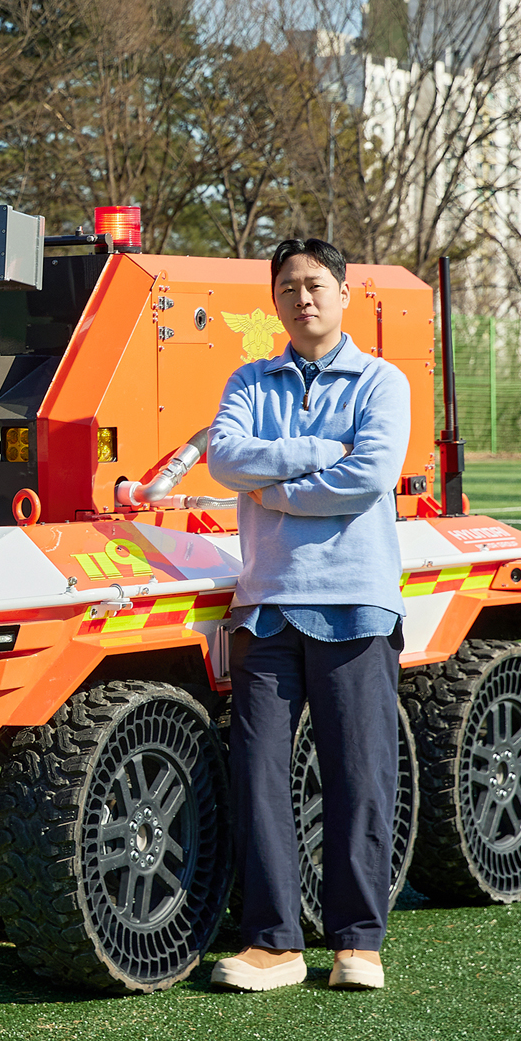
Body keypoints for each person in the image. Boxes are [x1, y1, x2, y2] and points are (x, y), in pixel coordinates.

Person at [204, 237, 410, 991]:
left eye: (315, 284)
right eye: (288, 287)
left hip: (357, 600)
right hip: (264, 605)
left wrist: (276, 483)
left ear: (344, 292)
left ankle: (358, 942)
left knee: (359, 775)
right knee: (259, 776)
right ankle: (274, 944)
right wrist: (318, 450)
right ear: (275, 300)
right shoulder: (248, 379)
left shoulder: (382, 382)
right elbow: (224, 457)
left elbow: (371, 475)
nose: (302, 298)